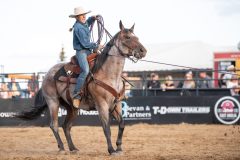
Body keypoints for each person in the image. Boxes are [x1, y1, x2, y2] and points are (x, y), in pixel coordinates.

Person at [69, 6, 102, 108]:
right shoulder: (78, 28)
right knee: (85, 70)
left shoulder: (83, 23)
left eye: (84, 15)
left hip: (88, 51)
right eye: (81, 15)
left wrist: (92, 18)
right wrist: (96, 46)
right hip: (82, 52)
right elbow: (84, 43)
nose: (84, 16)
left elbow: (87, 21)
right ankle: (76, 95)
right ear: (77, 17)